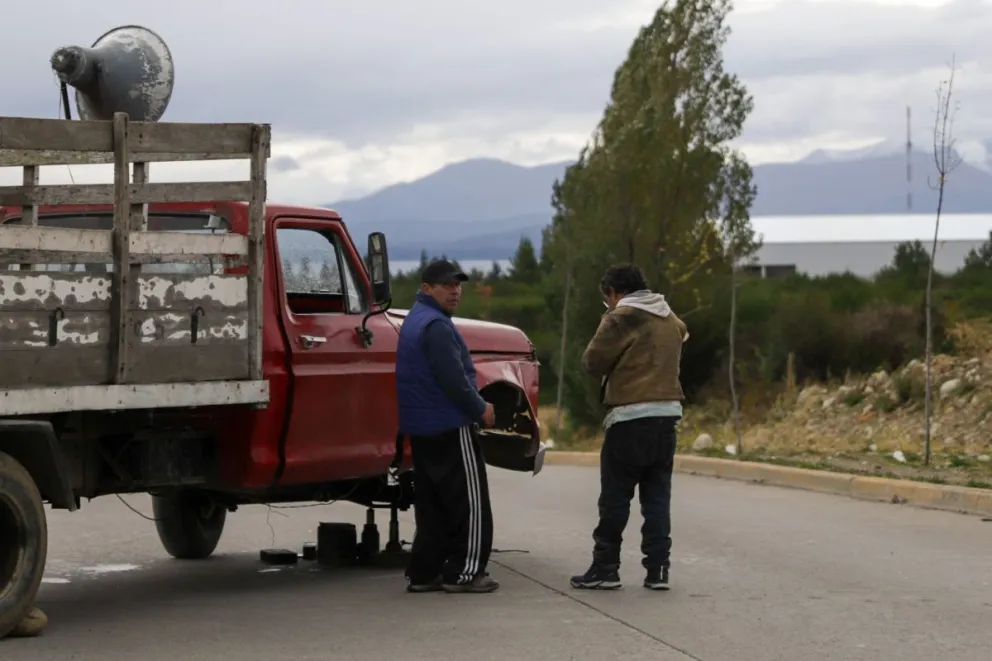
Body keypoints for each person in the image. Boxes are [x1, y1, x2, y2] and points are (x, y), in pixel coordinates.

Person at [569, 263, 688, 592]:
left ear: (612, 292)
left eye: (606, 298)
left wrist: (605, 323)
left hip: (629, 418)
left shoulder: (620, 317)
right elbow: (683, 333)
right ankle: (658, 570)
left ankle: (605, 567)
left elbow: (591, 363)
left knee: (615, 498)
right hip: (667, 416)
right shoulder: (668, 316)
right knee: (657, 498)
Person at [395, 258, 500, 594]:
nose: (455, 291)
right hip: (450, 423)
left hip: (422, 426)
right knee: (469, 502)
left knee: (433, 503)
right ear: (427, 288)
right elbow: (453, 380)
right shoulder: (438, 326)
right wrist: (479, 408)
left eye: (458, 285)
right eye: (447, 285)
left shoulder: (415, 319)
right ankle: (465, 572)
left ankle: (424, 573)